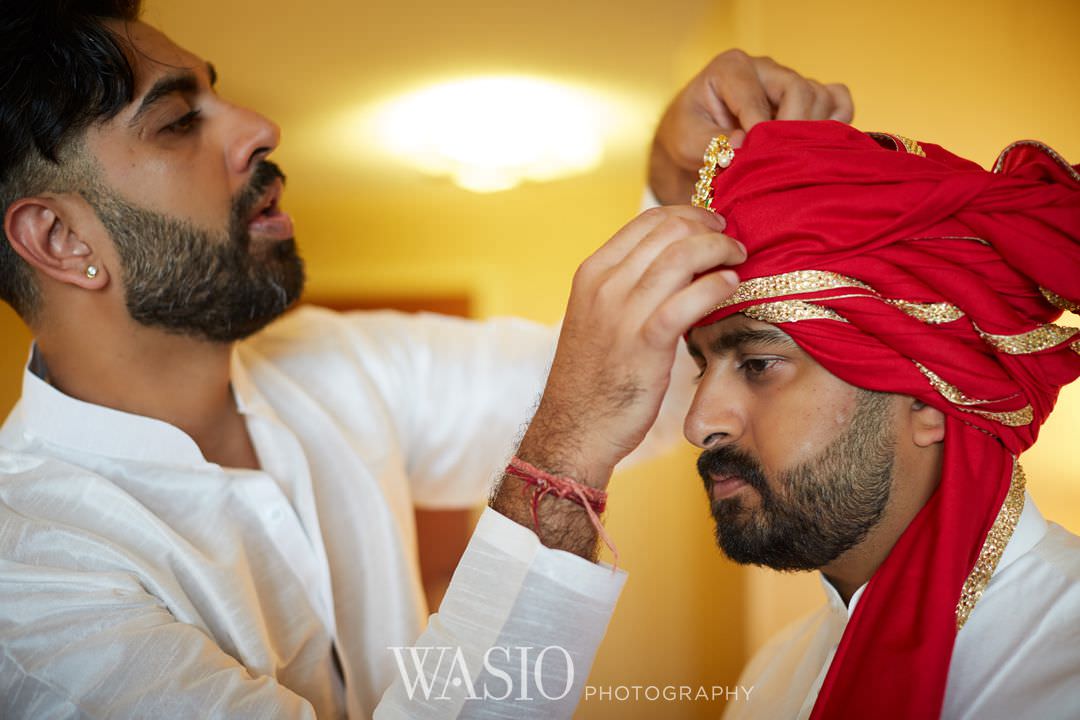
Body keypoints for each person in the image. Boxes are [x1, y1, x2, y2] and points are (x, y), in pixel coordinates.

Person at [0, 1, 853, 717]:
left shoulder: (333, 362)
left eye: (218, 98)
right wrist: (562, 451)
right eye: (180, 121)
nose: (261, 127)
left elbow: (651, 400)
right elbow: (589, 412)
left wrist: (678, 183)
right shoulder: (33, 586)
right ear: (60, 237)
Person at [670, 121, 1078, 718]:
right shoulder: (772, 680)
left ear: (929, 398)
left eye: (758, 363)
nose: (699, 423)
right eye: (700, 367)